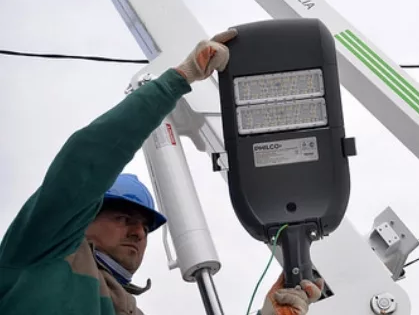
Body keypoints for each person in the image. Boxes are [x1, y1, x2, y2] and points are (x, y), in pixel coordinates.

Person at [0, 30, 324, 315]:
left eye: (144, 226)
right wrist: (177, 80)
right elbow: (87, 160)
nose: (138, 233)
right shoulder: (44, 250)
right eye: (123, 218)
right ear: (83, 218)